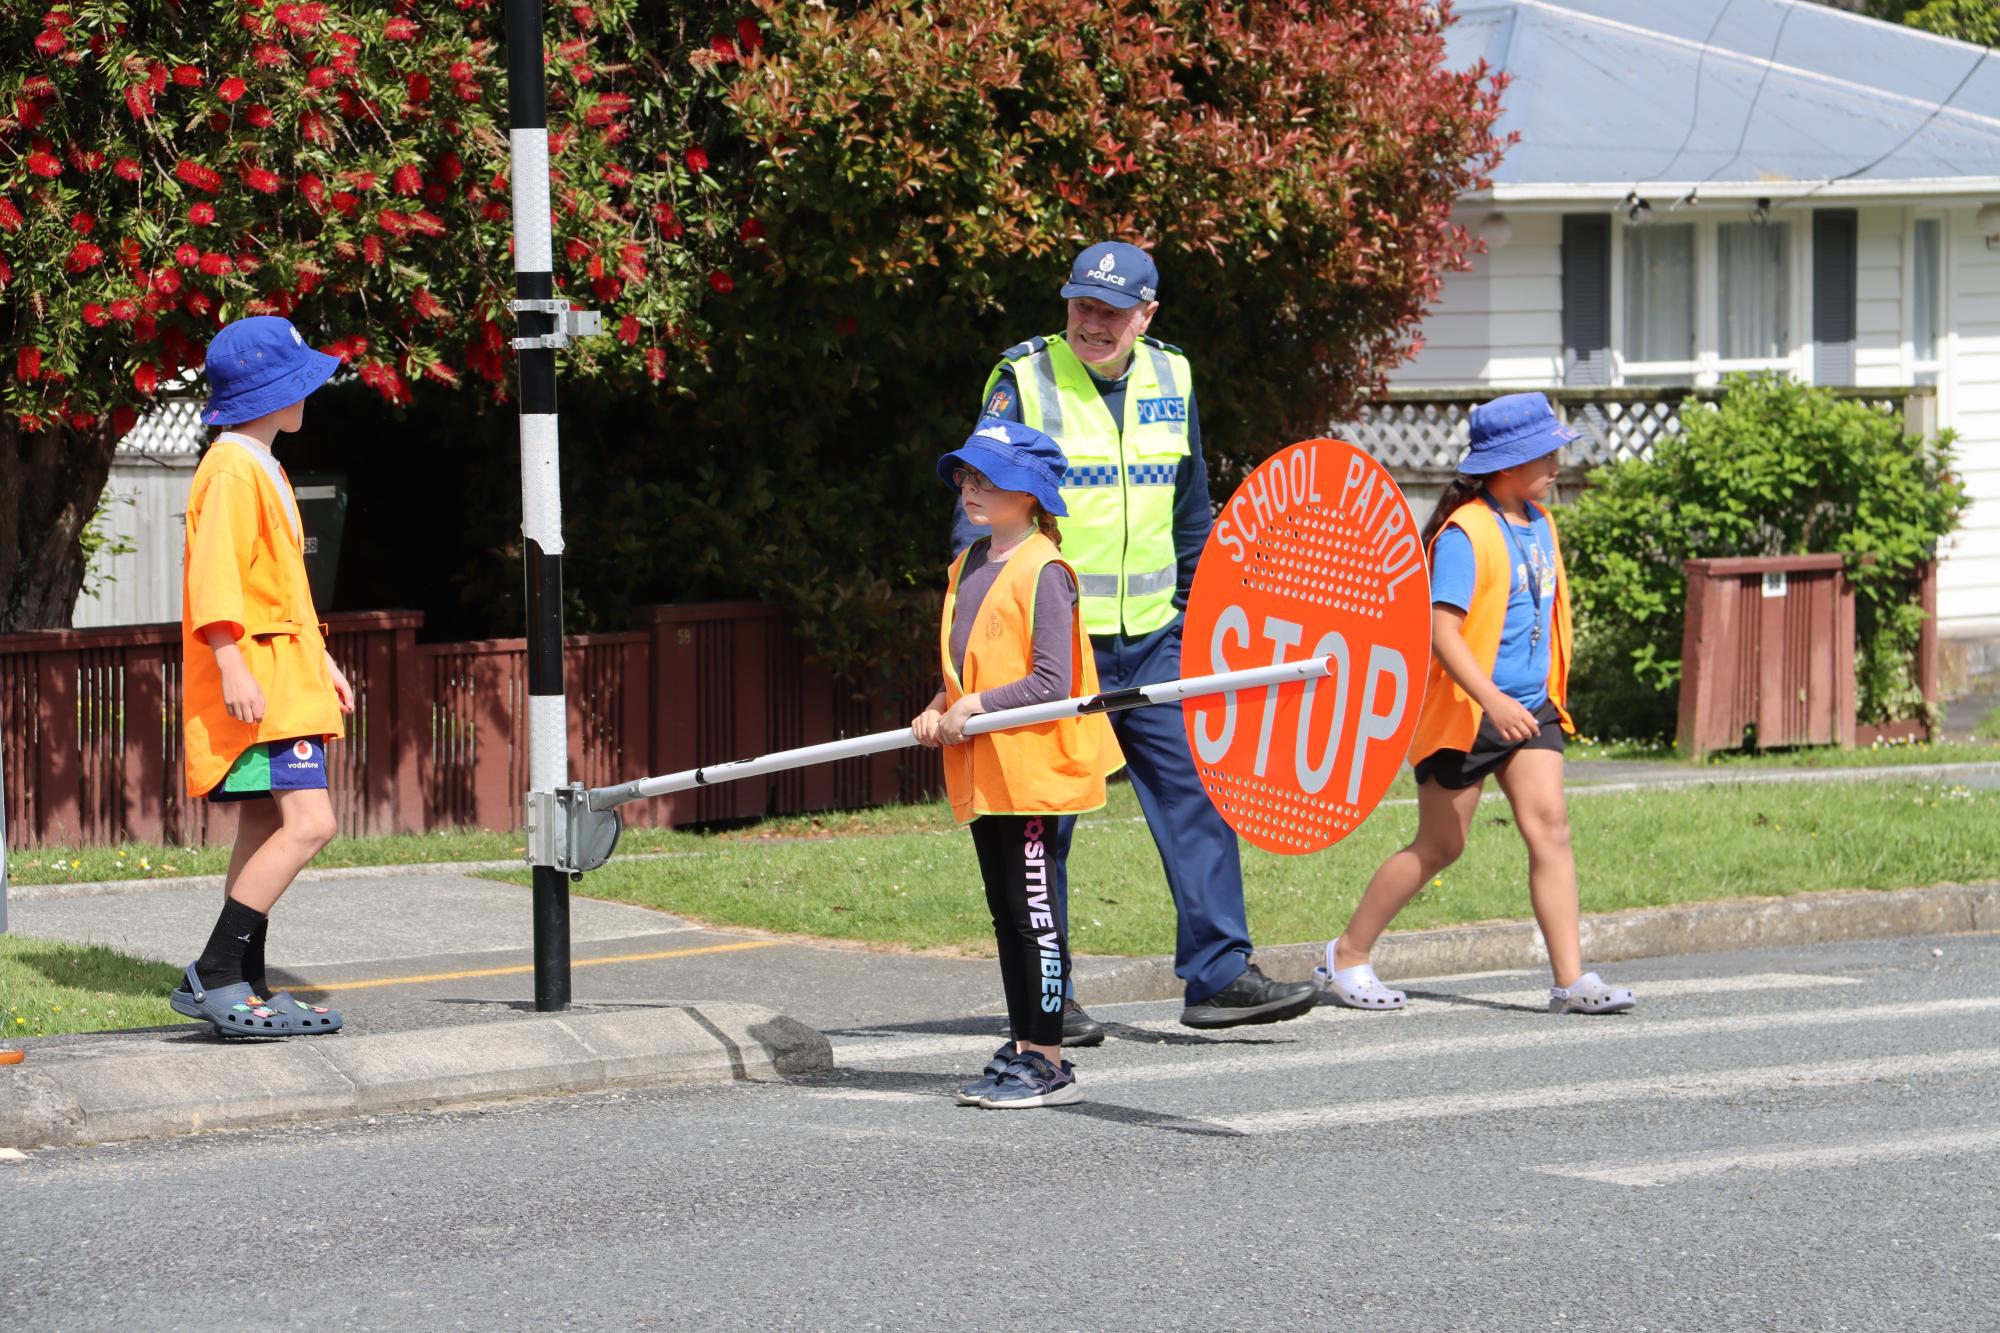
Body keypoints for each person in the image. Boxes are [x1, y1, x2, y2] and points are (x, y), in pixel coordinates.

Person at [958, 240, 1317, 1038]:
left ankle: (1220, 976)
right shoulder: (1023, 377)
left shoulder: (1173, 374)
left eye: (1112, 312)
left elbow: (1193, 507)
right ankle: (1051, 995)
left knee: (1199, 798)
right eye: (1082, 305)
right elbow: (977, 515)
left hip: (1156, 638)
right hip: (1057, 650)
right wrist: (977, 643)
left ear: (1146, 316)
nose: (1093, 323)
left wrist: (1194, 613)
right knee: (1044, 820)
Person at [1312, 393, 1636, 1016]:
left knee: (1552, 830)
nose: (1557, 462)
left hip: (1530, 708)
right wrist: (1490, 698)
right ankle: (1346, 954)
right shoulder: (1466, 532)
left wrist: (1528, 698)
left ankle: (1571, 982)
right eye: (1546, 453)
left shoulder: (1540, 521)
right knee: (1440, 846)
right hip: (1467, 714)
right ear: (1508, 463)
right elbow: (1441, 631)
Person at [915, 419, 1121, 1108]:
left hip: (1033, 775)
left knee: (1037, 914)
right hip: (987, 773)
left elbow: (1051, 683)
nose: (973, 488)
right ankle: (1025, 1039)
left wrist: (970, 704)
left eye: (990, 477)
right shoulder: (968, 565)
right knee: (1008, 913)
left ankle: (1051, 1054)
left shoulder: (1046, 571)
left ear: (1029, 494)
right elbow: (964, 667)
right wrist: (939, 703)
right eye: (968, 476)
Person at [167, 316, 352, 1038]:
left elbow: (277, 590)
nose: (307, 392)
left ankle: (247, 981)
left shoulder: (259, 464)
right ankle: (215, 971)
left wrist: (322, 659)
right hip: (263, 684)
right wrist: (231, 660)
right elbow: (214, 579)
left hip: (285, 674)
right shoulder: (233, 468)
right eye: (296, 380)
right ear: (269, 392)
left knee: (265, 821)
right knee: (313, 823)